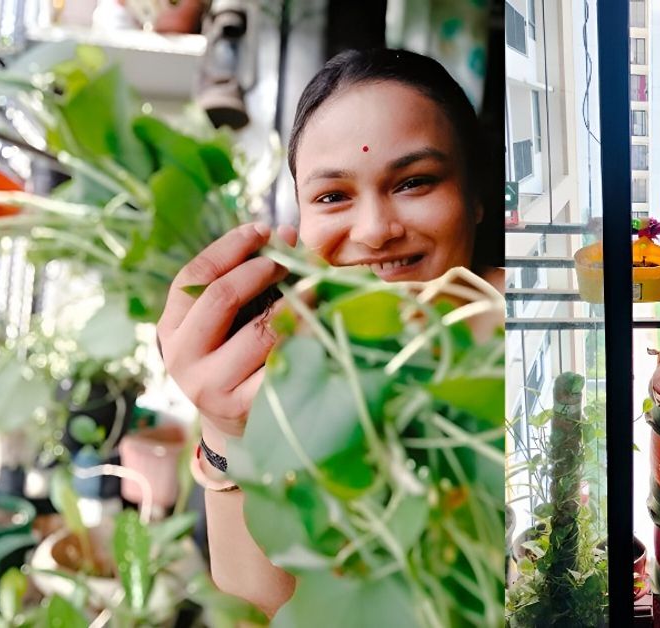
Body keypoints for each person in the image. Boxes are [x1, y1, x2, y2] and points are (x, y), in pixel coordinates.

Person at [156, 48, 501, 616]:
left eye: (414, 182)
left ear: (475, 197)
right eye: (333, 196)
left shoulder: (536, 331)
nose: (374, 230)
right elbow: (270, 605)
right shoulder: (297, 368)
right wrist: (227, 431)